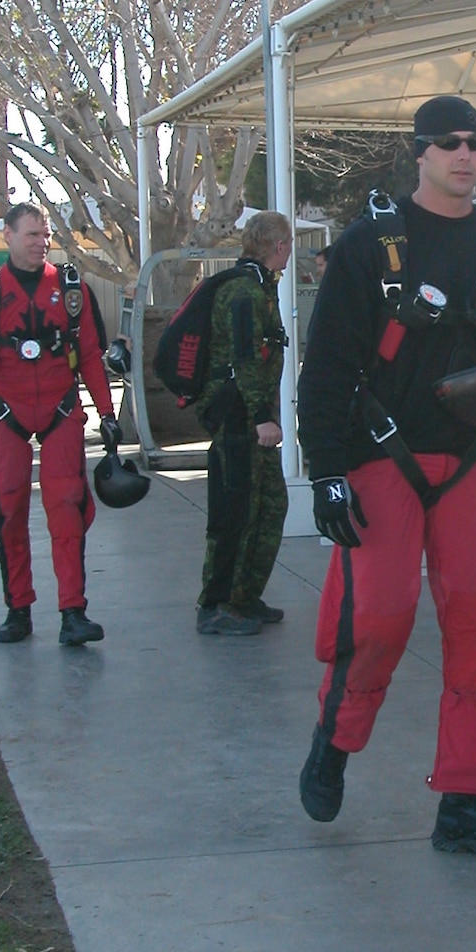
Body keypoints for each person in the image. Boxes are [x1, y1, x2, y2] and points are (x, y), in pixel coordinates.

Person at [296, 94, 476, 863]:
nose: (464, 154)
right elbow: (329, 367)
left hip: (471, 460)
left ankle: (465, 804)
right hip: (382, 453)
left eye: (475, 142)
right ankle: (335, 741)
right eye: (448, 142)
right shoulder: (370, 245)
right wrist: (327, 474)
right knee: (379, 616)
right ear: (419, 152)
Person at [0, 202, 119, 647]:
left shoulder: (71, 289)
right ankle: (18, 609)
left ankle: (73, 612)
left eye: (45, 236)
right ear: (7, 236)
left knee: (67, 508)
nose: (40, 243)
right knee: (7, 510)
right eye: (31, 235)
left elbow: (89, 356)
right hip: (6, 413)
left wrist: (106, 414)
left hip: (61, 410)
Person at [195, 211, 291, 637]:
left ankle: (244, 595)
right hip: (238, 420)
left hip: (250, 419)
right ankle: (215, 604)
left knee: (269, 506)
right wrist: (261, 419)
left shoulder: (260, 288)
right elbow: (246, 361)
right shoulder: (244, 294)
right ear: (275, 246)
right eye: (286, 242)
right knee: (235, 513)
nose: (289, 250)